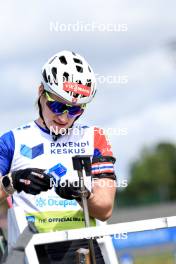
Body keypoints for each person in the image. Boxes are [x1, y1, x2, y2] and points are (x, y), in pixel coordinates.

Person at [0, 50, 117, 263]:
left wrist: (81, 195)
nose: (64, 117)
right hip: (31, 248)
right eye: (57, 106)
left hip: (82, 248)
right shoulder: (11, 140)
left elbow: (105, 209)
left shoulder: (94, 137)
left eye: (75, 110)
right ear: (41, 92)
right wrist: (14, 181)